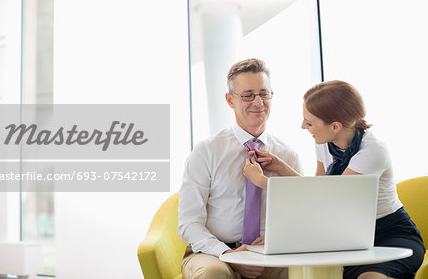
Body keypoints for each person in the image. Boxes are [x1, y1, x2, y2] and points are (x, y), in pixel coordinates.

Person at [243, 80, 425, 279]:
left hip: (389, 235)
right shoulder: (325, 142)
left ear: (336, 126)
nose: (303, 126)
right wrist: (281, 168)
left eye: (310, 122)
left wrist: (261, 181)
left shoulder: (373, 152)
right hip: (350, 239)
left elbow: (328, 201)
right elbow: (319, 191)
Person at [177, 58, 303, 279]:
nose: (258, 102)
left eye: (264, 94)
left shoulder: (286, 155)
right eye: (247, 95)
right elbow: (189, 224)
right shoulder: (207, 151)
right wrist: (227, 253)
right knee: (212, 274)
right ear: (230, 100)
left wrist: (279, 241)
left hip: (269, 254)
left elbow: (302, 215)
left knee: (307, 271)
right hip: (214, 253)